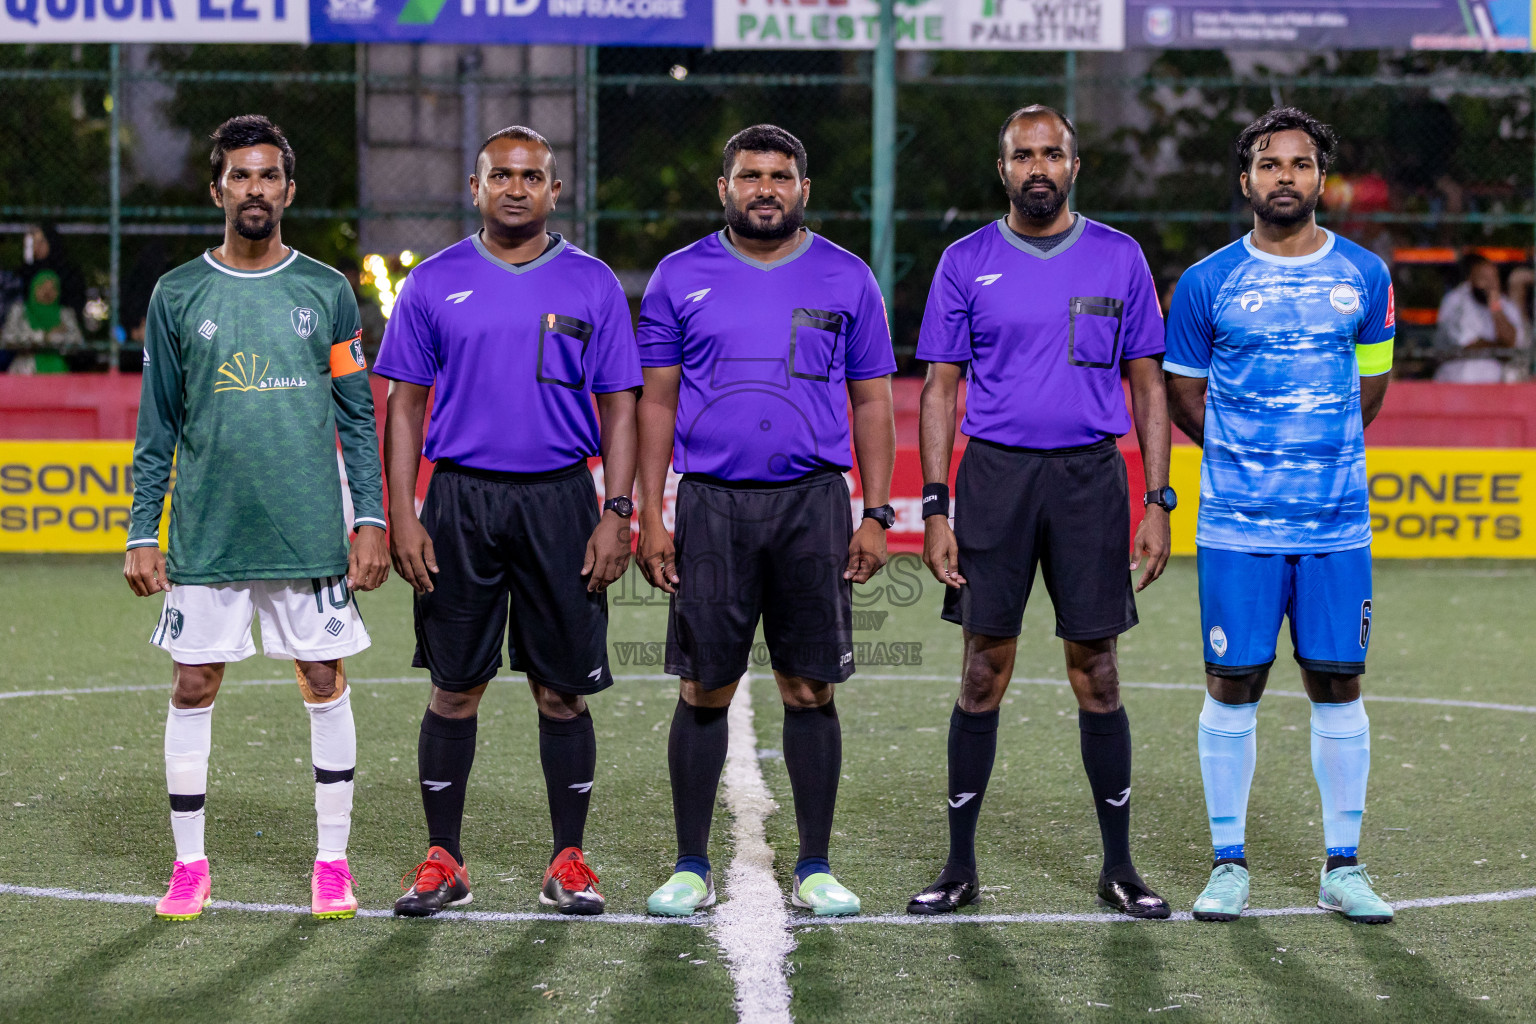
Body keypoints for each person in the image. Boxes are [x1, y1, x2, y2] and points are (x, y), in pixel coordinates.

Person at [906, 105, 1172, 919]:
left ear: (1074, 165)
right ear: (1004, 169)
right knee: (983, 669)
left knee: (1097, 670)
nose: (1037, 167)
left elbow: (1149, 385)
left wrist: (1159, 499)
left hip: (1092, 480)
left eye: (1051, 153)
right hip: (993, 480)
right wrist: (936, 505)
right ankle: (958, 868)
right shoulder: (965, 260)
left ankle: (1120, 869)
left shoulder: (1119, 256)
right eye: (1022, 154)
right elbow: (939, 389)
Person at [124, 115, 389, 923]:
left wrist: (370, 517)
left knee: (322, 679)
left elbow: (356, 415)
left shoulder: (325, 291)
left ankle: (333, 864)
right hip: (207, 534)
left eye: (268, 175)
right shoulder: (177, 293)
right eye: (240, 175)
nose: (255, 189)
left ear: (288, 190)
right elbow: (157, 424)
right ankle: (190, 866)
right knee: (194, 681)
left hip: (309, 530)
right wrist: (143, 529)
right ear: (218, 190)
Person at [376, 126, 640, 917]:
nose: (516, 187)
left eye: (532, 176)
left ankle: (569, 860)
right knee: (454, 687)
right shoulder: (432, 281)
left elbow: (621, 405)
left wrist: (617, 509)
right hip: (459, 502)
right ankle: (443, 860)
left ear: (555, 191)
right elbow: (404, 406)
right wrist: (403, 511)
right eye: (502, 175)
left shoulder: (592, 283)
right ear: (476, 186)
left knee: (562, 693)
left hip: (562, 500)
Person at [636, 124, 896, 918]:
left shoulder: (848, 277)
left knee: (809, 686)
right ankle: (690, 865)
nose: (765, 188)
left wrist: (879, 511)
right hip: (712, 503)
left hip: (813, 502)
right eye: (750, 174)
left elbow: (873, 400)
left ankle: (814, 866)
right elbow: (655, 400)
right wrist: (650, 512)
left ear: (803, 189)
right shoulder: (679, 277)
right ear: (725, 187)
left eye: (781, 175)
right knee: (704, 683)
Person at [1164, 107, 1396, 925]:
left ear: (1319, 180)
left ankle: (1344, 865)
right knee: (1235, 682)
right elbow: (1183, 392)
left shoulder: (1366, 275)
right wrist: (1246, 455)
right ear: (1246, 182)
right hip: (1237, 526)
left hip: (1336, 526)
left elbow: (1370, 388)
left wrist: (1311, 448)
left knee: (1337, 680)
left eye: (1300, 164)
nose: (1285, 177)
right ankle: (1229, 864)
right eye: (1270, 165)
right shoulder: (1206, 283)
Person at [1434, 253, 1528, 383]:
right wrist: (1499, 347)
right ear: (1471, 279)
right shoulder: (1455, 301)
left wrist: (1495, 307)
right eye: (1483, 278)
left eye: (1493, 278)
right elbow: (1466, 346)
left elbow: (1511, 345)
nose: (1489, 284)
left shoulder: (1506, 306)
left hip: (1494, 385)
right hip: (1457, 380)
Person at [1, 268, 83, 373]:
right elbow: (8, 338)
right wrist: (44, 336)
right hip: (25, 372)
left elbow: (78, 341)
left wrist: (55, 338)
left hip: (58, 371)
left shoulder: (65, 314)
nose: (47, 293)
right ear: (34, 288)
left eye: (52, 288)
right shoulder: (20, 311)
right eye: (42, 287)